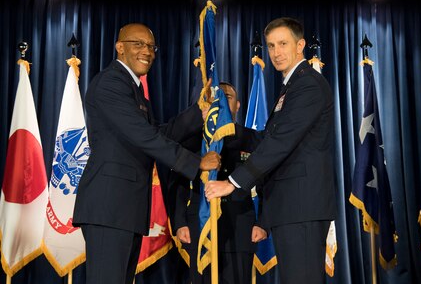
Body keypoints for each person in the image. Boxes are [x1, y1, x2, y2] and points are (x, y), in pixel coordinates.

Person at [72, 23, 221, 284]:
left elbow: (157, 133)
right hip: (109, 207)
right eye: (138, 44)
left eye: (151, 46)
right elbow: (144, 137)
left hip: (123, 208)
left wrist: (199, 112)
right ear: (119, 47)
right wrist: (197, 164)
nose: (147, 51)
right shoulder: (110, 83)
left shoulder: (133, 87)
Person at [205, 17, 336, 284]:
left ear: (300, 45)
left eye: (283, 44)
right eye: (271, 45)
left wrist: (233, 183)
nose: (276, 52)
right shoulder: (291, 85)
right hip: (291, 206)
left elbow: (281, 142)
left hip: (302, 207)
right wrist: (226, 127)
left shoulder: (308, 84)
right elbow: (267, 138)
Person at [168, 82, 267, 284]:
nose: (220, 101)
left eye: (227, 96)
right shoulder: (192, 140)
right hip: (201, 227)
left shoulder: (251, 139)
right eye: (215, 96)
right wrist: (179, 223)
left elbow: (266, 182)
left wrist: (262, 223)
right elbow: (177, 183)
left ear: (238, 105)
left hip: (241, 227)